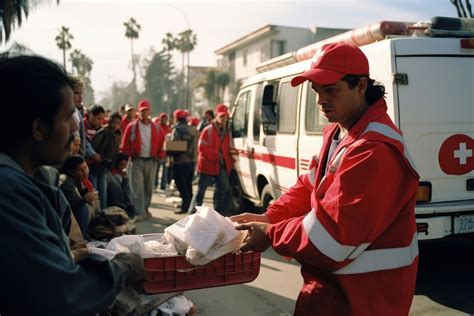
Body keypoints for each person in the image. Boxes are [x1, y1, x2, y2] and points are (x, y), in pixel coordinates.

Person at [232, 42, 420, 315]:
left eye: (330, 90)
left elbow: (331, 238)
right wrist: (270, 217)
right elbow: (308, 186)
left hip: (365, 298)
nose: (320, 100)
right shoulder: (338, 132)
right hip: (333, 290)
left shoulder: (374, 149)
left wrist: (272, 233)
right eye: (317, 90)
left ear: (361, 87)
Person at [0, 55, 146, 315]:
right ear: (39, 128)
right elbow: (62, 294)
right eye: (68, 118)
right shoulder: (9, 191)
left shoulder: (39, 180)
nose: (74, 131)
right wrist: (122, 268)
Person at [120, 99, 165, 220]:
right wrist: (127, 155)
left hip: (151, 161)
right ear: (139, 112)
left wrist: (160, 155)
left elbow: (162, 142)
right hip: (137, 161)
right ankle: (139, 212)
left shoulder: (156, 127)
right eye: (142, 111)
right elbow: (125, 144)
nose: (144, 113)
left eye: (146, 110)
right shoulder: (132, 127)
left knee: (149, 187)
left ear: (150, 111)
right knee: (137, 187)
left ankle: (145, 208)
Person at [194, 104, 233, 216]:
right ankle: (195, 213)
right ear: (216, 116)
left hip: (220, 166)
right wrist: (216, 155)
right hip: (207, 165)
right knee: (201, 191)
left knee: (223, 189)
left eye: (225, 117)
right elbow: (201, 148)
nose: (223, 119)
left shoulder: (226, 131)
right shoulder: (207, 130)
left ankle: (219, 213)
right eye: (221, 116)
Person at [170, 109, 198, 214]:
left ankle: (185, 206)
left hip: (180, 162)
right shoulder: (194, 129)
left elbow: (175, 146)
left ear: (176, 118)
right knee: (188, 184)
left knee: (181, 184)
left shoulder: (177, 130)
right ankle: (190, 206)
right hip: (191, 162)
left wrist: (168, 149)